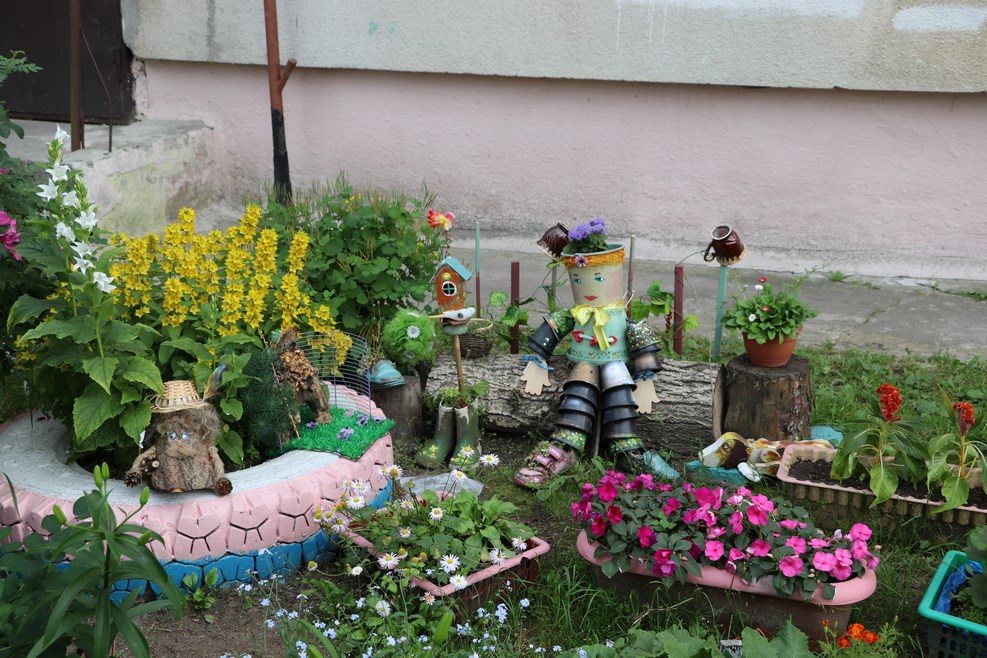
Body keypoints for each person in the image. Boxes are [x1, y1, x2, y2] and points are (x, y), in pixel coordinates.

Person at [513, 218, 676, 489]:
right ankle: (566, 445)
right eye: (577, 279)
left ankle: (627, 449)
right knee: (583, 375)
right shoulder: (575, 314)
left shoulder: (621, 318)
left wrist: (646, 381)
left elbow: (642, 345)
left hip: (615, 361)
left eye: (599, 278)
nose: (588, 287)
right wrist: (537, 362)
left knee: (616, 373)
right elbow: (550, 330)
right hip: (584, 360)